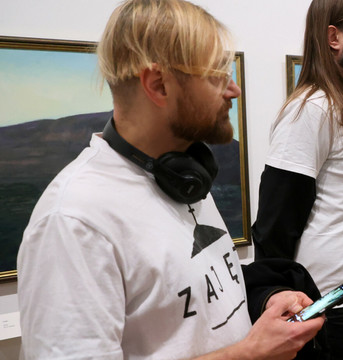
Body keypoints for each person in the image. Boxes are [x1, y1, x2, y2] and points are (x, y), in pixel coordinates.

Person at [16, 0, 323, 358]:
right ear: (159, 85)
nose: (234, 90)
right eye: (217, 74)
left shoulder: (183, 176)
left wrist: (263, 303)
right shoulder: (73, 221)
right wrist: (251, 354)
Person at [250, 0, 343, 358]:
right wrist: (283, 308)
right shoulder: (310, 110)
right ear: (334, 37)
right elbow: (274, 226)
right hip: (336, 313)